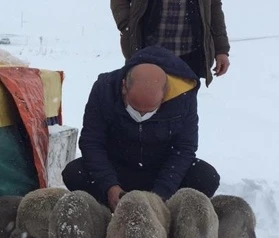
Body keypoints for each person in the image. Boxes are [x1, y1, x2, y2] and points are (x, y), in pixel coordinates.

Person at [61, 46, 220, 211]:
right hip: (117, 167)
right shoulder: (104, 89)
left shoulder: (183, 97)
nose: (141, 115)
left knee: (206, 178)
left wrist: (162, 193)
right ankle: (107, 211)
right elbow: (91, 141)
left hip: (159, 169)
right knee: (74, 174)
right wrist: (109, 185)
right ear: (124, 87)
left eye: (150, 110)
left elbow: (184, 148)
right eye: (135, 108)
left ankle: (168, 215)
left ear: (165, 95)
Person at [110, 0, 231, 87]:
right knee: (144, 111)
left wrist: (221, 49)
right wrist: (127, 26)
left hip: (190, 58)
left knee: (182, 115)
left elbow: (214, 7)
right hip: (148, 54)